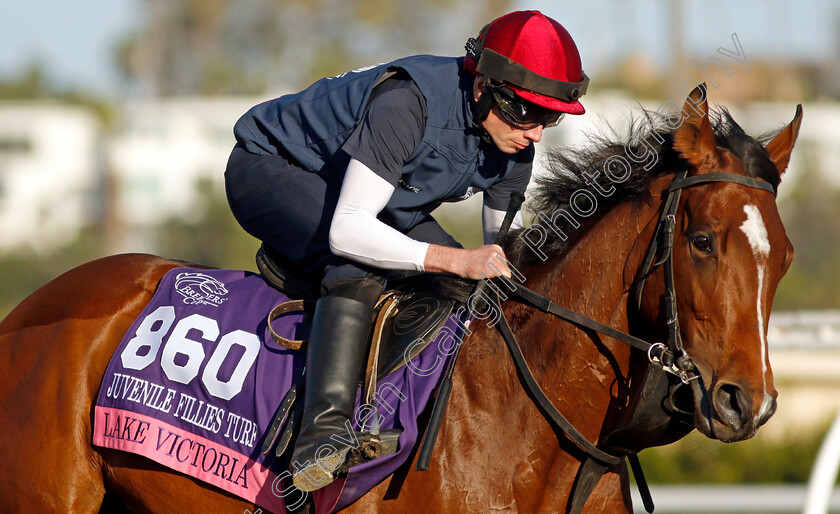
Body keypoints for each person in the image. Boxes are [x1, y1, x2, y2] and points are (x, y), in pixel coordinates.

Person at [224, 10, 588, 492]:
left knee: (467, 285)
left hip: (373, 194)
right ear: (481, 87)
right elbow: (348, 231)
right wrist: (456, 258)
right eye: (526, 111)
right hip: (274, 168)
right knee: (358, 263)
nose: (536, 132)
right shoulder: (406, 102)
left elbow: (503, 253)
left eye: (550, 117)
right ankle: (322, 435)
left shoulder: (517, 145)